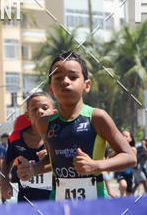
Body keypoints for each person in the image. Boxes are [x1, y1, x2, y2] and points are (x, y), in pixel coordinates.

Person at [33, 50, 136, 201]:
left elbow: (130, 157)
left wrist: (96, 165)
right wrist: (32, 169)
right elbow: (51, 160)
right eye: (58, 78)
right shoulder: (44, 123)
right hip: (58, 202)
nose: (65, 81)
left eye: (73, 77)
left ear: (86, 85)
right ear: (50, 88)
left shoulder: (97, 117)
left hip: (96, 201)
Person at [6, 92, 55, 203]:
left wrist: (51, 156)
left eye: (45, 108)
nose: (40, 111)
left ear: (54, 112)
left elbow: (68, 161)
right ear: (28, 115)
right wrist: (5, 183)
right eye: (35, 109)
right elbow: (7, 161)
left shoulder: (60, 136)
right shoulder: (16, 137)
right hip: (26, 201)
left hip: (54, 199)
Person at [114, 129, 136, 196]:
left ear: (130, 139)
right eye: (122, 136)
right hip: (120, 172)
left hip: (129, 174)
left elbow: (135, 164)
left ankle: (127, 204)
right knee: (123, 185)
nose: (124, 137)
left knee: (129, 194)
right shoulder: (118, 148)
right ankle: (121, 200)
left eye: (126, 136)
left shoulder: (133, 149)